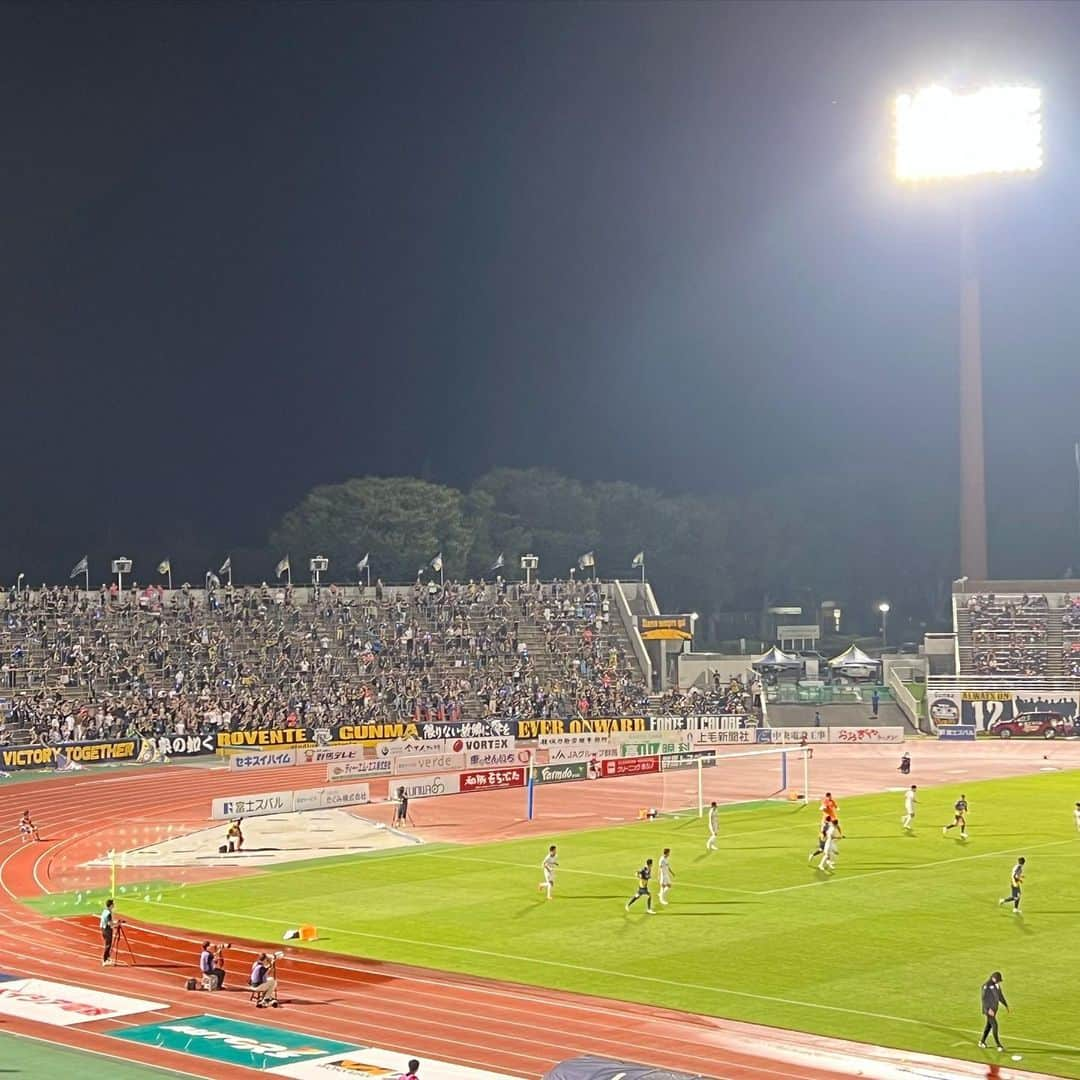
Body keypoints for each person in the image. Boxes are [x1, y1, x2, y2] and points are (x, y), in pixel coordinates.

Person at [979, 971, 1009, 1051]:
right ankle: (999, 1045)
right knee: (994, 1025)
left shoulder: (996, 985)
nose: (999, 981)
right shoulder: (986, 986)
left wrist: (1005, 1005)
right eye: (998, 980)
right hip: (988, 1010)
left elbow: (1000, 996)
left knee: (988, 1026)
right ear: (993, 978)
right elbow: (984, 999)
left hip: (994, 1010)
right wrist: (988, 1009)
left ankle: (982, 1042)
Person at [100, 898, 116, 966]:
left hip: (103, 928)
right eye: (113, 904)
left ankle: (107, 958)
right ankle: (105, 960)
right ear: (111, 905)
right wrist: (117, 924)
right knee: (108, 945)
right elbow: (110, 924)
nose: (114, 905)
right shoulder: (108, 913)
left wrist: (114, 922)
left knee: (108, 944)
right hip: (107, 930)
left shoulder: (105, 911)